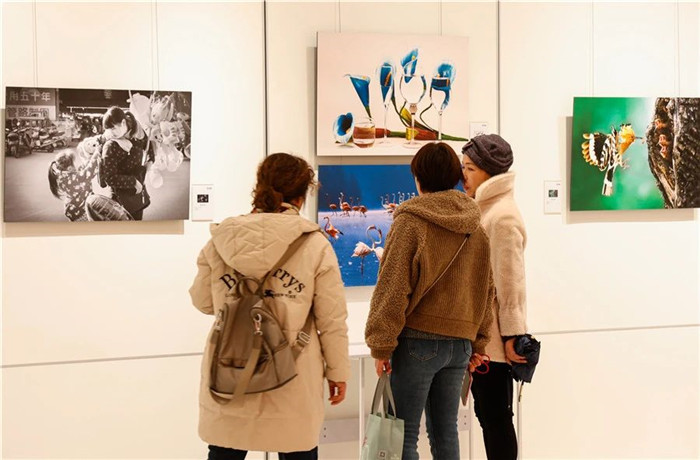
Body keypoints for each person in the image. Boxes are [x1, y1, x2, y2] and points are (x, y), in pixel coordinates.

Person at [189, 153, 351, 460]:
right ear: (302, 196)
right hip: (292, 374)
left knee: (225, 450)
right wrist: (338, 373)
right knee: (296, 450)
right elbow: (331, 320)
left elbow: (203, 301)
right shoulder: (314, 244)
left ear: (259, 187)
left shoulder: (221, 239)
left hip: (231, 371)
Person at [364, 142, 494, 460]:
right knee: (445, 432)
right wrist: (478, 342)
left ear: (419, 178)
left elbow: (393, 287)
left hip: (417, 343)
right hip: (459, 347)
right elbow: (485, 290)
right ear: (455, 177)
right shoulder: (476, 229)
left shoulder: (411, 222)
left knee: (403, 435)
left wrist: (381, 345)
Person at [461, 134, 528, 460]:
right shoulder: (485, 210)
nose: (464, 176)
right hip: (483, 338)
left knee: (496, 419)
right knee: (490, 417)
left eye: (470, 169)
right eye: (463, 167)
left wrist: (513, 336)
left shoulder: (501, 216)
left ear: (489, 171)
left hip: (496, 343)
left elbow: (511, 283)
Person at [101, 106, 150, 220]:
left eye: (113, 128)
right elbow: (109, 178)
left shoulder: (139, 134)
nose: (111, 132)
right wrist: (134, 182)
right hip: (119, 199)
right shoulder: (110, 146)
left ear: (123, 122)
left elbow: (149, 147)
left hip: (136, 196)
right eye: (108, 129)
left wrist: (149, 164)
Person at [47, 148, 101, 221]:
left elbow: (81, 170)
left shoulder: (62, 176)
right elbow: (88, 172)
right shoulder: (75, 178)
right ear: (69, 168)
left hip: (73, 209)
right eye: (74, 164)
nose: (76, 166)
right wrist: (96, 154)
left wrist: (89, 159)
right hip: (80, 212)